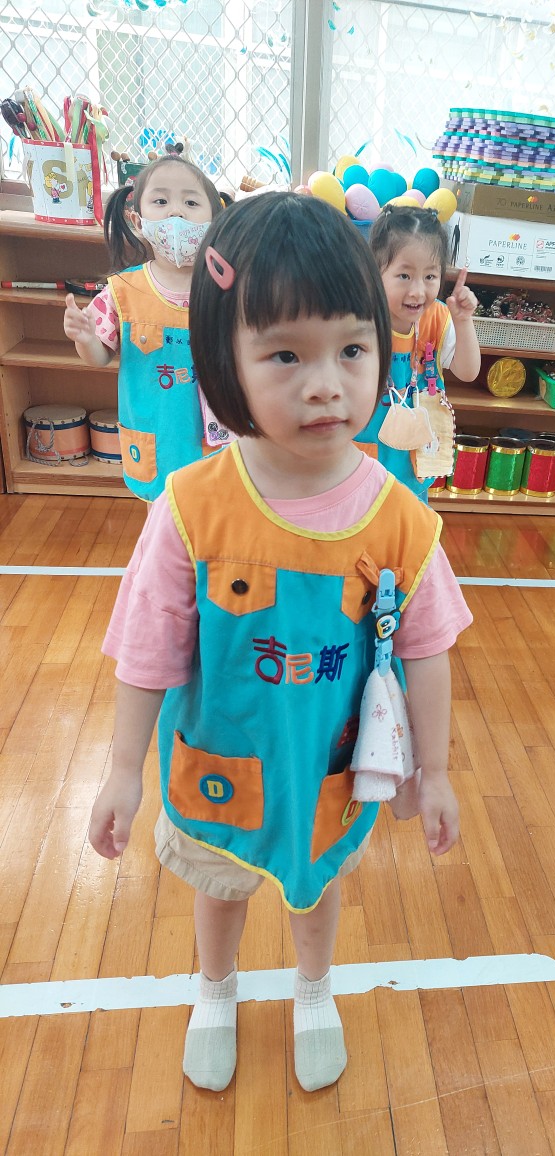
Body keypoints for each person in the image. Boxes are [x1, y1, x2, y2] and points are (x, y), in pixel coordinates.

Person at [86, 192, 472, 1095]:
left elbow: (427, 649)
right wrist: (120, 770)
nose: (326, 384)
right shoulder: (191, 506)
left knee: (316, 881)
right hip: (219, 754)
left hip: (325, 762)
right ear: (223, 360)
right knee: (217, 884)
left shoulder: (401, 518)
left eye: (351, 349)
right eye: (285, 355)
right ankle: (214, 990)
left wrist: (436, 770)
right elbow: (148, 648)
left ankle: (312, 988)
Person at [63, 154, 230, 500]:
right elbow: (99, 357)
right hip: (157, 439)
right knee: (162, 511)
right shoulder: (122, 291)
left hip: (216, 438)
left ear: (214, 220)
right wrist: (85, 338)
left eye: (191, 202)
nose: (176, 212)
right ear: (137, 221)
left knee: (214, 510)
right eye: (161, 201)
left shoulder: (227, 287)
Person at [356, 204, 481, 499]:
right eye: (404, 276)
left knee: (410, 522)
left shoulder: (438, 317)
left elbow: (468, 372)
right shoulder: (360, 319)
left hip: (414, 464)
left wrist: (463, 321)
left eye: (430, 276)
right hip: (364, 462)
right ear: (375, 273)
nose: (418, 291)